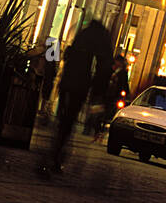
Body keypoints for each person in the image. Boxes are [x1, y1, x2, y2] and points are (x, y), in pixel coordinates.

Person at [38, 18, 113, 178]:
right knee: (68, 121)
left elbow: (69, 57)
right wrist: (96, 94)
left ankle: (54, 153)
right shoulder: (101, 38)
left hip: (68, 83)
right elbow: (102, 69)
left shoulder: (82, 34)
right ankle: (56, 154)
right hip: (80, 85)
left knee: (63, 120)